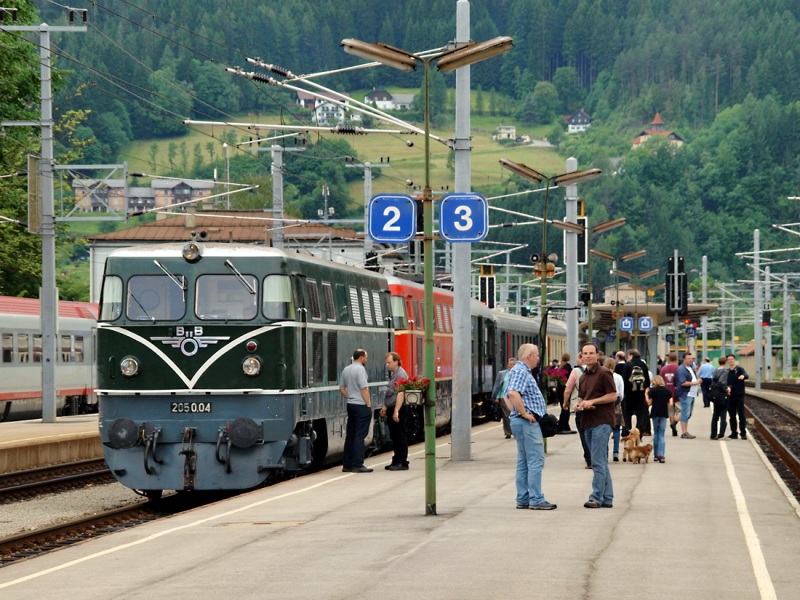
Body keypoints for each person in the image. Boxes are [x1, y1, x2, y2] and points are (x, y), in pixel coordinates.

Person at [506, 343, 557, 510]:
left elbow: (507, 395)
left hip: (521, 422)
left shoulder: (517, 371)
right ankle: (536, 498)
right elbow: (513, 394)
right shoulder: (521, 371)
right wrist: (524, 413)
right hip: (528, 423)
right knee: (535, 460)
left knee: (523, 460)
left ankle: (523, 498)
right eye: (536, 355)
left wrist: (515, 413)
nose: (538, 359)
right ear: (529, 356)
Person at [576, 342, 617, 509]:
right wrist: (579, 405)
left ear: (598, 355)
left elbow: (613, 396)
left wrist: (593, 401)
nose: (588, 356)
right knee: (599, 461)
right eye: (585, 353)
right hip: (588, 422)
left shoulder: (604, 373)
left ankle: (595, 497)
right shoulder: (583, 377)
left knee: (597, 461)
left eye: (591, 353)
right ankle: (607, 498)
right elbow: (582, 398)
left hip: (602, 422)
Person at [339, 349, 373, 473]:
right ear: (361, 357)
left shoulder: (346, 369)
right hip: (360, 405)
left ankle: (347, 465)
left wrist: (350, 396)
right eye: (366, 357)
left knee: (351, 435)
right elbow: (364, 389)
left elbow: (341, 388)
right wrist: (368, 404)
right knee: (360, 435)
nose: (367, 359)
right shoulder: (360, 370)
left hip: (351, 404)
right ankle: (357, 464)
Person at [382, 351, 410, 470]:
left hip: (398, 408)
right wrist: (385, 406)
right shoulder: (395, 374)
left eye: (389, 362)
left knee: (399, 436)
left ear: (396, 361)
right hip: (392, 407)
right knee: (395, 436)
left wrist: (396, 411)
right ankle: (396, 460)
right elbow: (391, 394)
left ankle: (402, 462)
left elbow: (400, 393)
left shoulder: (400, 375)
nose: (387, 365)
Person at [563, 352, 590, 466]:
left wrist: (565, 402)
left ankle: (589, 459)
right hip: (594, 407)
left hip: (580, 407)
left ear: (581, 359)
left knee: (583, 433)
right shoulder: (599, 370)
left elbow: (568, 389)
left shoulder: (575, 371)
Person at [622, 349, 651, 436]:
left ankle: (627, 431)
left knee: (627, 414)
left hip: (629, 394)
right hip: (641, 394)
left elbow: (624, 380)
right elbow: (647, 381)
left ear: (631, 355)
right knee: (640, 414)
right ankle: (639, 433)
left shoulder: (627, 365)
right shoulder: (644, 365)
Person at [645, 375, 673, 463]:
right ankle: (661, 455)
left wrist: (646, 394)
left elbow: (649, 403)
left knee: (656, 433)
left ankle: (656, 455)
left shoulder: (653, 391)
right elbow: (671, 404)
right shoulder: (668, 391)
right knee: (661, 434)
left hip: (655, 413)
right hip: (664, 413)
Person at [674, 352, 700, 439]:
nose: (690, 360)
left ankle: (677, 423)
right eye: (688, 358)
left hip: (691, 394)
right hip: (686, 394)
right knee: (685, 413)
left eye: (691, 358)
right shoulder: (682, 369)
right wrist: (695, 383)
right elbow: (682, 383)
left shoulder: (690, 368)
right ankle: (684, 432)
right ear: (684, 359)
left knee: (688, 414)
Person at [603, 357, 624, 462]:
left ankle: (605, 453)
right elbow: (621, 393)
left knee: (605, 430)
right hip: (616, 403)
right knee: (616, 429)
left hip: (605, 404)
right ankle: (616, 452)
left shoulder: (602, 376)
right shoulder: (618, 377)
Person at [491, 357, 517, 439]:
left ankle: (515, 431)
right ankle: (508, 432)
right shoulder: (502, 373)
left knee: (515, 415)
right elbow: (498, 386)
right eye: (509, 364)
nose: (510, 366)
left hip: (515, 397)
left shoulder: (518, 374)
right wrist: (497, 397)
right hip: (504, 397)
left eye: (512, 365)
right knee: (506, 416)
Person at [726, 354, 749, 440]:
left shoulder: (739, 369)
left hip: (739, 395)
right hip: (730, 396)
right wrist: (727, 388)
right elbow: (725, 382)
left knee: (741, 415)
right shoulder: (727, 371)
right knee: (732, 415)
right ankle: (733, 432)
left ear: (734, 360)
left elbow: (746, 374)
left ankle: (743, 433)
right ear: (727, 361)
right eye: (729, 359)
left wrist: (743, 376)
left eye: (732, 359)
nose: (731, 361)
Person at [659, 352, 681, 436]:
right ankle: (675, 422)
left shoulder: (663, 369)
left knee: (671, 412)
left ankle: (674, 430)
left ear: (668, 359)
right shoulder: (678, 369)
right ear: (676, 359)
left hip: (666, 393)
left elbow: (661, 380)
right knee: (680, 411)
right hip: (677, 393)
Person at [710, 356, 729, 440]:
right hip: (722, 395)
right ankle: (721, 434)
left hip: (715, 395)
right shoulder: (725, 371)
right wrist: (727, 389)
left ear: (718, 362)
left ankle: (713, 434)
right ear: (726, 362)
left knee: (715, 415)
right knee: (723, 415)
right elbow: (722, 383)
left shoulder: (715, 371)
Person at [556, 353, 574, 433]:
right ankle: (563, 426)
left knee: (564, 409)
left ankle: (564, 426)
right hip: (565, 390)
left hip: (559, 390)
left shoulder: (560, 367)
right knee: (566, 409)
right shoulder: (568, 367)